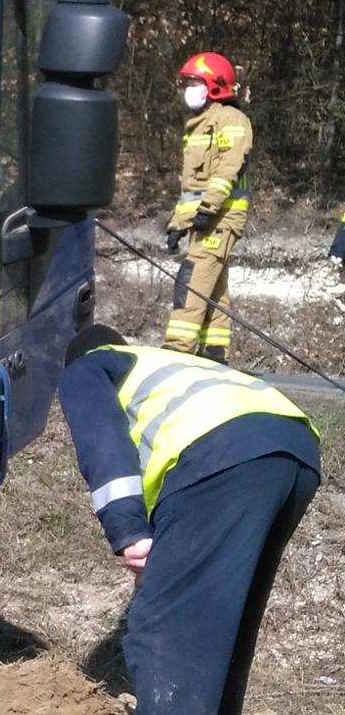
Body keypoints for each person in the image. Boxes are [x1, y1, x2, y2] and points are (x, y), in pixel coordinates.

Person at [60, 324, 321, 714]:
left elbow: (103, 441)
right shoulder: (167, 363)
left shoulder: (88, 367)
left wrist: (127, 529)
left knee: (165, 634)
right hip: (295, 448)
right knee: (222, 623)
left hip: (221, 453)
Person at [164, 52, 252, 362]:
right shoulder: (198, 126)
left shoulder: (231, 120)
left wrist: (210, 208)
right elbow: (192, 188)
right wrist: (177, 225)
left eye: (194, 83)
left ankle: (177, 351)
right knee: (213, 286)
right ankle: (215, 352)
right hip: (207, 220)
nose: (188, 89)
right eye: (186, 83)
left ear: (215, 86)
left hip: (222, 219)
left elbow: (228, 168)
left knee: (191, 281)